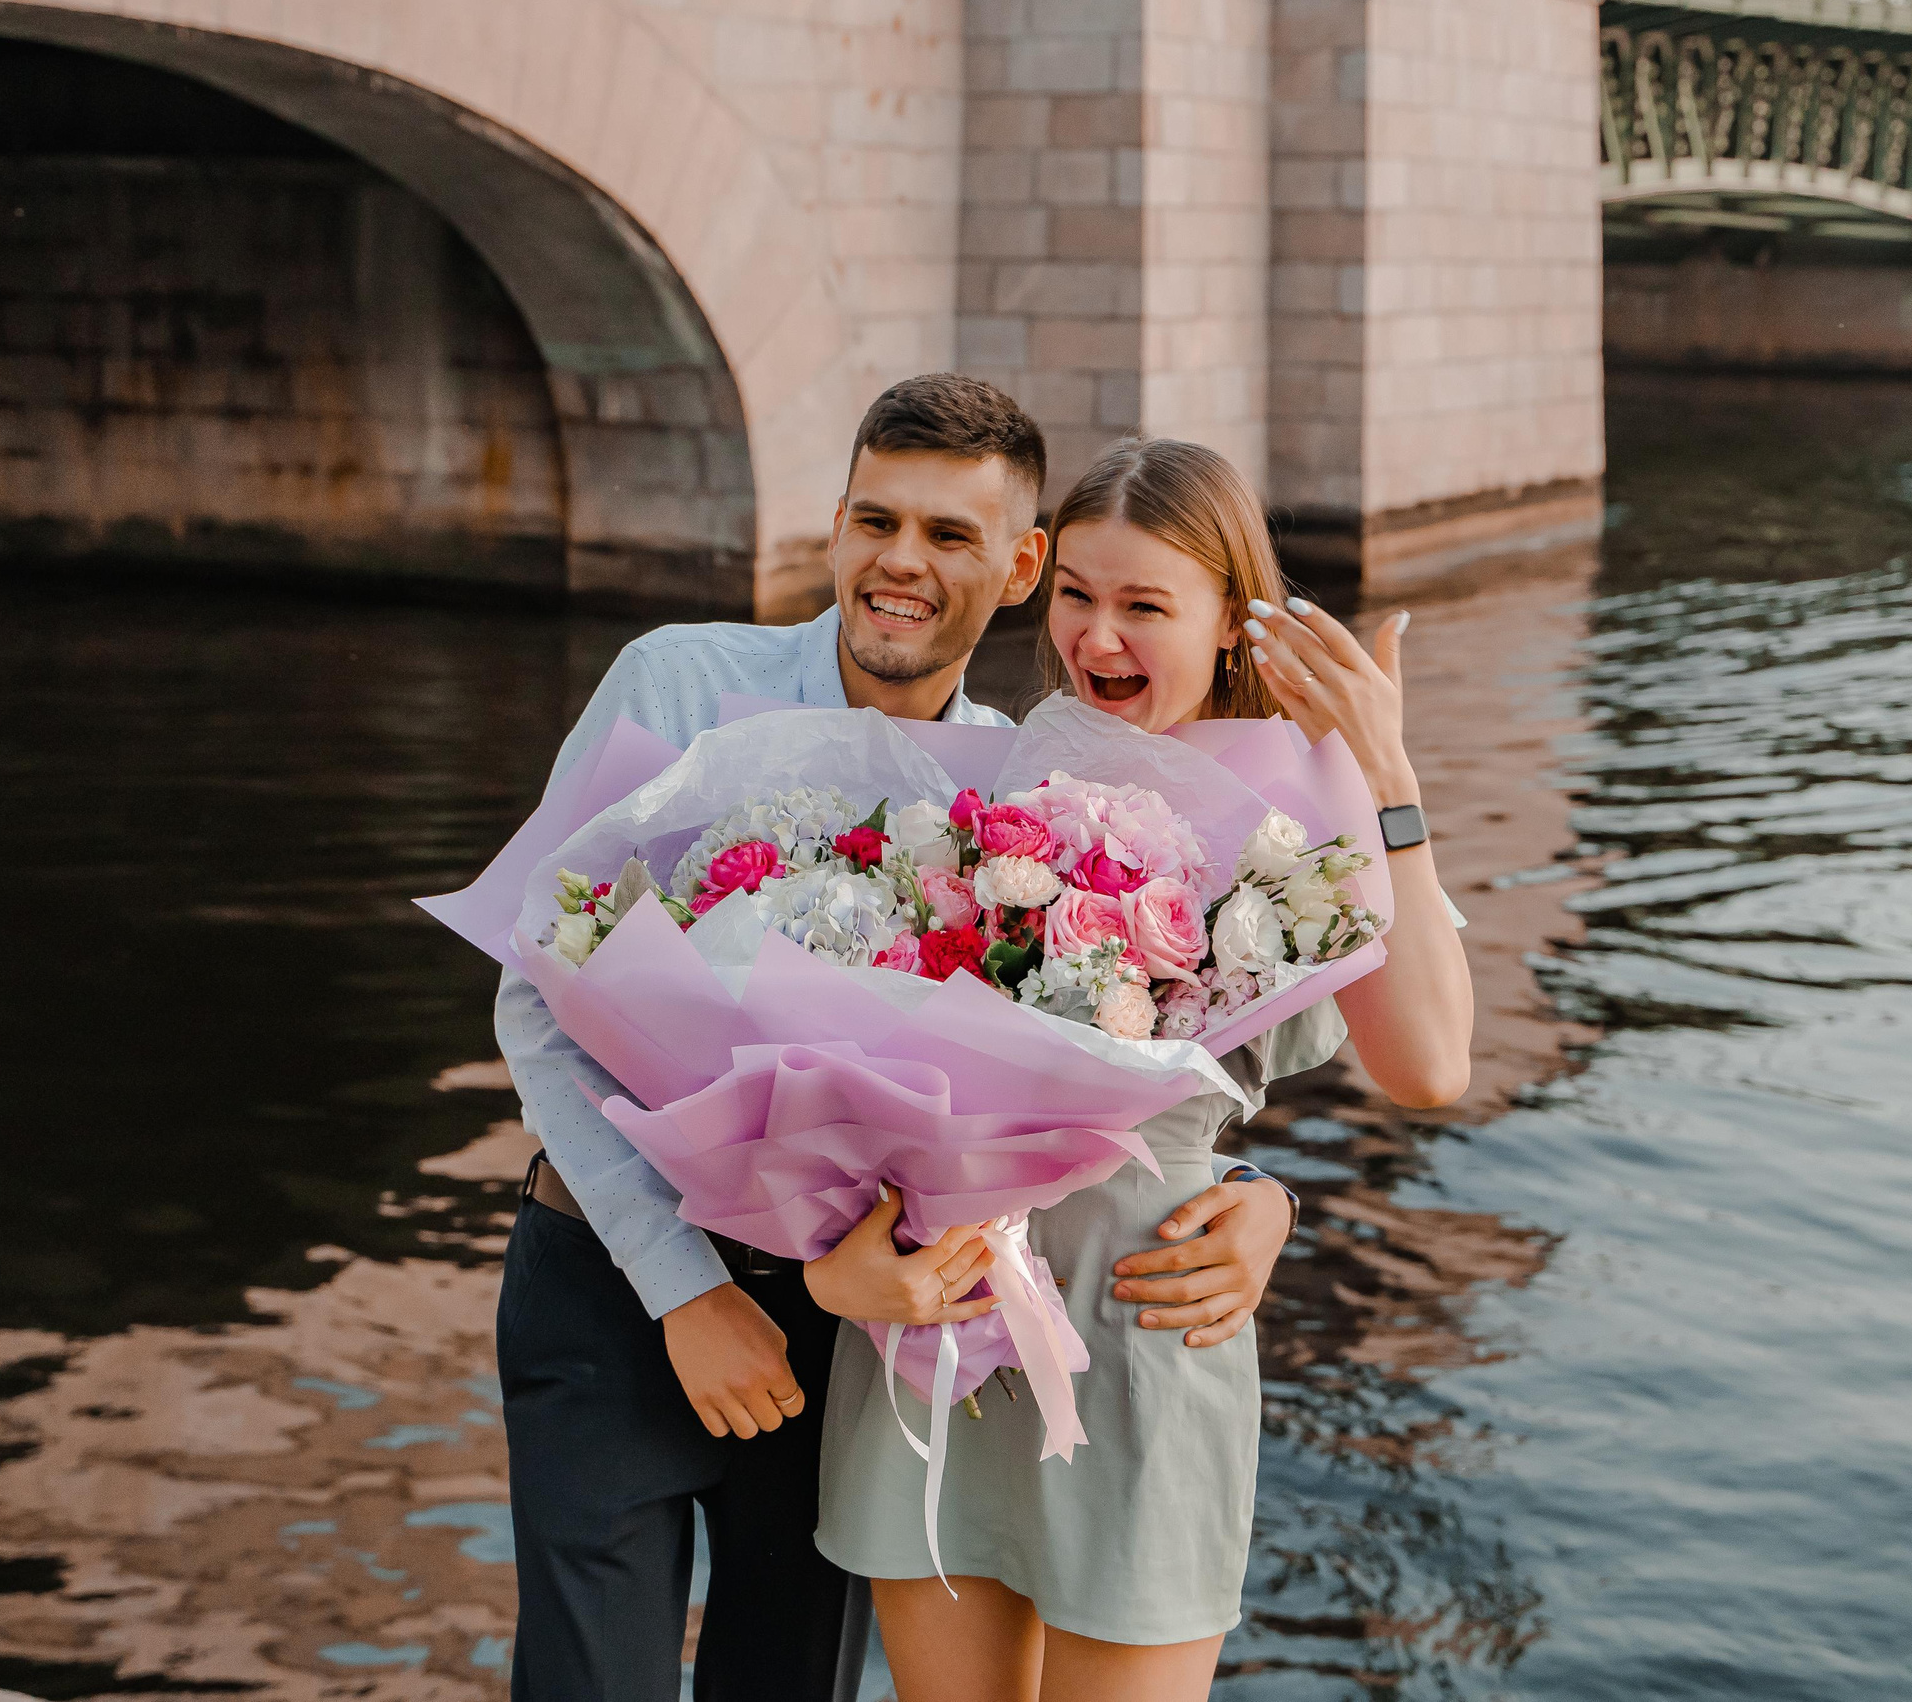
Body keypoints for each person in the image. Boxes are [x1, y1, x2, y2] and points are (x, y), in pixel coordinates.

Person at [493, 381, 1304, 1702]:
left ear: (1021, 565)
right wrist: (689, 1290)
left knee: (786, 1685)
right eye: (876, 519)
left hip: (854, 1329)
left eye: (948, 532)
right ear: (834, 525)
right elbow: (536, 994)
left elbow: (1099, 1085)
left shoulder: (1020, 794)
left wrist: (1261, 1198)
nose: (901, 563)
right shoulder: (679, 680)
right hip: (617, 1278)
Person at [812, 436, 1475, 1702]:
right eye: (1078, 595)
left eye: (1144, 608)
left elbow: (1431, 1067)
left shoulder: (1313, 806)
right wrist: (833, 1250)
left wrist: (1384, 771)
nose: (1097, 638)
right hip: (945, 1324)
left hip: (1144, 1322)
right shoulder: (1001, 769)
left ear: (1231, 618)